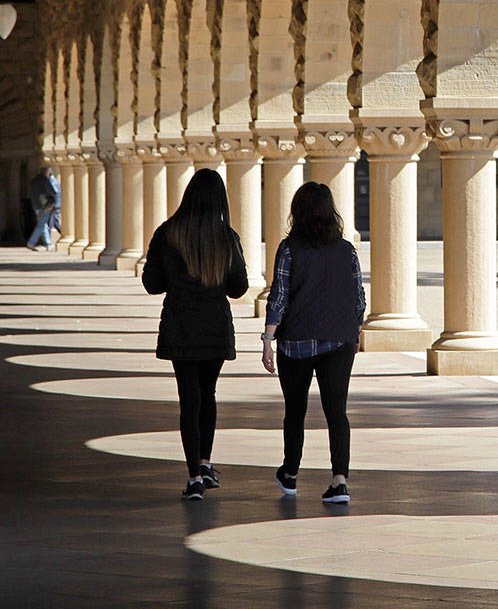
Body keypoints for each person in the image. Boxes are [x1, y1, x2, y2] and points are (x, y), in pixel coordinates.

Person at [141, 169, 248, 501]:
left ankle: (193, 477)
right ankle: (205, 463)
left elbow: (151, 283)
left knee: (189, 399)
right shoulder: (226, 237)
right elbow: (239, 288)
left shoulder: (168, 233)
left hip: (181, 327)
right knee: (209, 394)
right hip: (215, 327)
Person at [262, 181, 366, 505]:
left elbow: (278, 296)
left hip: (295, 342)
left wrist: (268, 338)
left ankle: (290, 474)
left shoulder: (289, 249)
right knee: (337, 412)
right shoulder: (346, 250)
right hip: (338, 340)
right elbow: (359, 298)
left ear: (297, 212)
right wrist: (354, 330)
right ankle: (339, 481)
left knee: (295, 411)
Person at [26, 167, 58, 250]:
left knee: (42, 224)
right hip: (45, 206)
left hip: (36, 205)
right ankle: (31, 242)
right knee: (41, 224)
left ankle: (48, 243)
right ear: (47, 173)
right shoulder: (44, 181)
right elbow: (52, 192)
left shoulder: (34, 181)